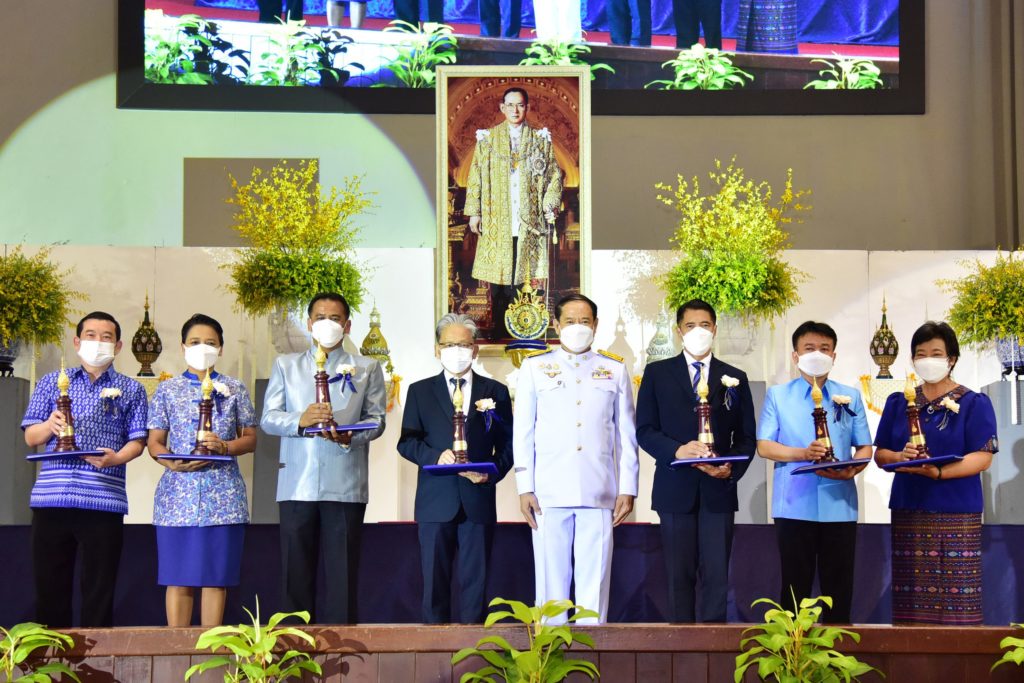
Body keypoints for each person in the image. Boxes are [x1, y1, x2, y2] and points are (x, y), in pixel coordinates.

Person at [261, 292, 386, 624]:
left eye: (334, 318)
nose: (327, 324)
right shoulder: (286, 365)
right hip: (296, 484)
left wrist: (350, 436)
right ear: (308, 323)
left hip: (345, 484)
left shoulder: (367, 368)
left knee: (342, 579)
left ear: (347, 325)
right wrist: (299, 420)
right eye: (320, 318)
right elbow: (268, 419)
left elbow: (376, 421)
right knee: (294, 578)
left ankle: (342, 650)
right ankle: (293, 647)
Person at [513, 294, 639, 624]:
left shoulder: (614, 369)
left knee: (594, 587)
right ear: (556, 325)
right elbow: (523, 432)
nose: (578, 327)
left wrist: (628, 487)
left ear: (596, 325)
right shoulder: (535, 367)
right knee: (550, 587)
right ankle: (549, 650)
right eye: (570, 321)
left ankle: (593, 649)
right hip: (548, 492)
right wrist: (524, 486)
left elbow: (626, 435)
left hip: (599, 491)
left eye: (585, 321)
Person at [21, 312, 148, 628]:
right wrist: (50, 424)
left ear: (118, 346)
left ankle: (97, 656)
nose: (98, 342)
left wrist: (116, 459)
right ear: (77, 342)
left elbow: (138, 442)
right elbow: (31, 437)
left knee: (99, 593)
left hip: (103, 501)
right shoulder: (52, 382)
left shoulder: (131, 389)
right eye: (91, 335)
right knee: (50, 591)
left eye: (106, 337)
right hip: (52, 499)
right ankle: (52, 657)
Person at [636, 299, 755, 623]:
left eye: (704, 325)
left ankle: (714, 645)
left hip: (718, 491)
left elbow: (746, 437)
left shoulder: (735, 377)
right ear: (679, 331)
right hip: (675, 490)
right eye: (690, 326)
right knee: (678, 577)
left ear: (714, 329)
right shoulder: (657, 373)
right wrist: (677, 451)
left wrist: (731, 469)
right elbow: (645, 430)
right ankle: (680, 644)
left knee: (717, 577)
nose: (698, 331)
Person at [874, 321, 998, 625]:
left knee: (959, 600)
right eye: (921, 353)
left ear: (951, 359)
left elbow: (983, 457)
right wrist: (900, 456)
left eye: (936, 353)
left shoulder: (973, 403)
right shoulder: (899, 402)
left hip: (957, 509)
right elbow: (881, 454)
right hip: (909, 508)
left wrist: (939, 473)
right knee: (911, 602)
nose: (927, 359)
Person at [397, 313, 514, 623]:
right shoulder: (420, 391)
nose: (457, 351)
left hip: (478, 501)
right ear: (437, 349)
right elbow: (407, 442)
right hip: (435, 502)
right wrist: (435, 456)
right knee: (434, 586)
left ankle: (474, 645)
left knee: (476, 586)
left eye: (463, 344)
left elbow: (508, 445)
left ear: (474, 349)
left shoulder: (496, 392)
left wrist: (490, 472)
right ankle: (435, 645)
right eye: (449, 344)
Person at [756, 321, 871, 624]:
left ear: (834, 356)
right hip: (794, 505)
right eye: (809, 348)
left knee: (839, 589)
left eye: (824, 348)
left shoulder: (850, 395)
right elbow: (764, 446)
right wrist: (802, 454)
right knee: (795, 589)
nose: (817, 354)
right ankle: (792, 649)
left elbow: (864, 447)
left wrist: (852, 469)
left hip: (840, 504)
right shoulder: (778, 395)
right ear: (795, 356)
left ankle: (837, 648)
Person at [147, 314, 257, 628]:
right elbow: (154, 441)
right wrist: (170, 461)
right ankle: (177, 648)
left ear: (220, 348)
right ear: (183, 347)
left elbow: (250, 438)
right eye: (195, 342)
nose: (203, 348)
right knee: (177, 577)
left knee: (215, 578)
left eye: (210, 342)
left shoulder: (234, 388)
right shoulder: (167, 390)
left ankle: (211, 648)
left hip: (223, 495)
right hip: (176, 497)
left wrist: (225, 447)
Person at [464, 87, 563, 323]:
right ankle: (500, 328)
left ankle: (526, 327)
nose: (515, 110)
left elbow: (554, 176)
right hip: (497, 219)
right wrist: (474, 213)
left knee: (527, 277)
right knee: (500, 280)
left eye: (520, 105)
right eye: (510, 105)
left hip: (529, 221)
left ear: (527, 107)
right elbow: (475, 176)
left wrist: (549, 205)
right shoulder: (487, 140)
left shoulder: (540, 140)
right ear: (502, 108)